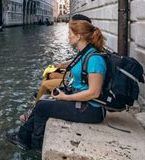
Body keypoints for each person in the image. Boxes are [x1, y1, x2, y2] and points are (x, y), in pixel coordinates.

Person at [6, 19, 107, 150]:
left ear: (79, 36)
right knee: (43, 101)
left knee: (43, 107)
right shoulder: (85, 53)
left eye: (70, 33)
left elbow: (94, 92)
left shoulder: (94, 59)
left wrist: (66, 97)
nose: (68, 36)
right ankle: (24, 136)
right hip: (83, 104)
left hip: (91, 110)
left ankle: (35, 144)